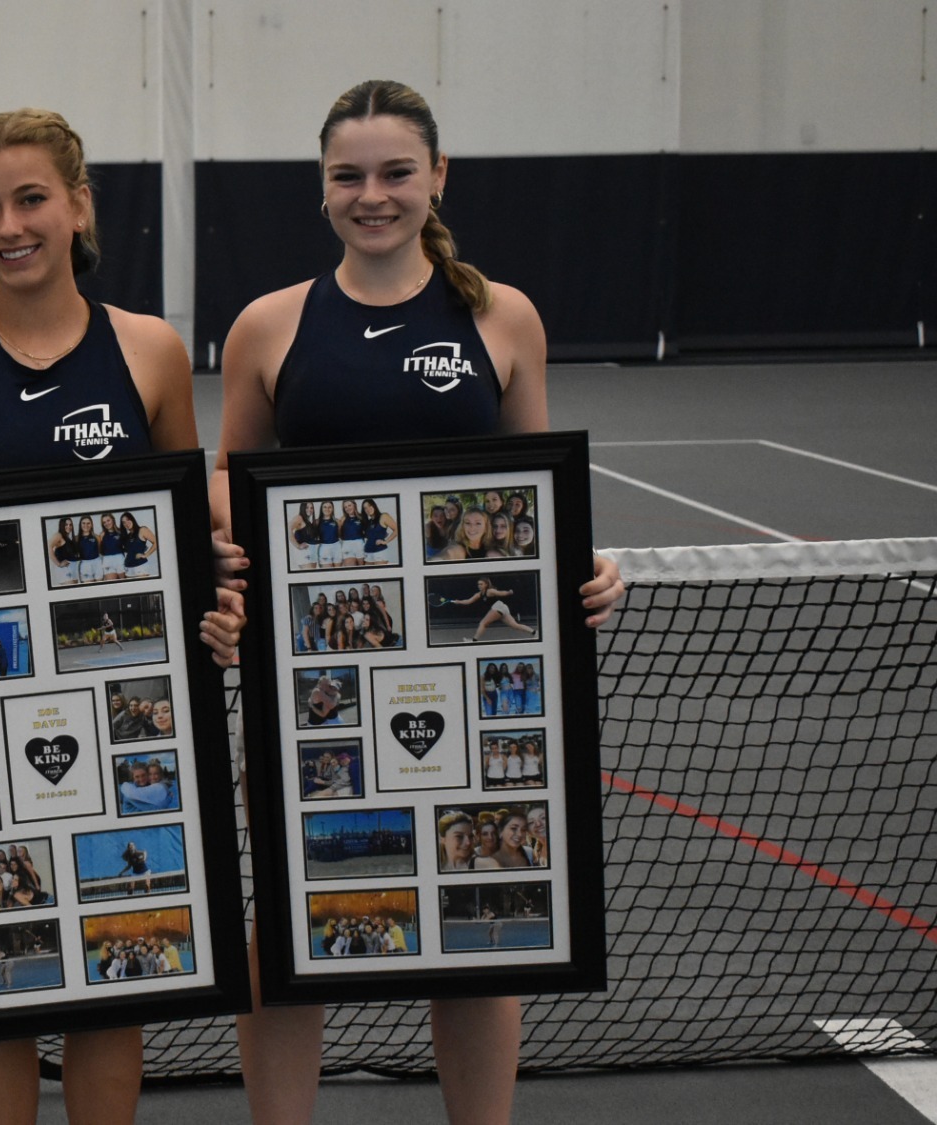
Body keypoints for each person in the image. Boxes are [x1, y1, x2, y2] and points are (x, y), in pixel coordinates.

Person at [208, 80, 624, 1125]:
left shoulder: (499, 316)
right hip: (312, 685)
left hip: (475, 681)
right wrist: (230, 540)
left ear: (436, 178)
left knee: (475, 915)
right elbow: (228, 477)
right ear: (321, 190)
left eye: (395, 172)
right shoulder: (270, 325)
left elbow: (535, 491)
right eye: (347, 176)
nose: (371, 195)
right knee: (293, 922)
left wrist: (583, 564)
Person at [0, 108, 243, 1125]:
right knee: (1, 970)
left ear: (76, 207)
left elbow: (186, 541)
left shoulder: (148, 352)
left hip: (124, 726)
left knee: (114, 971)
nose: (8, 224)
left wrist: (217, 607)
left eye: (29, 200)